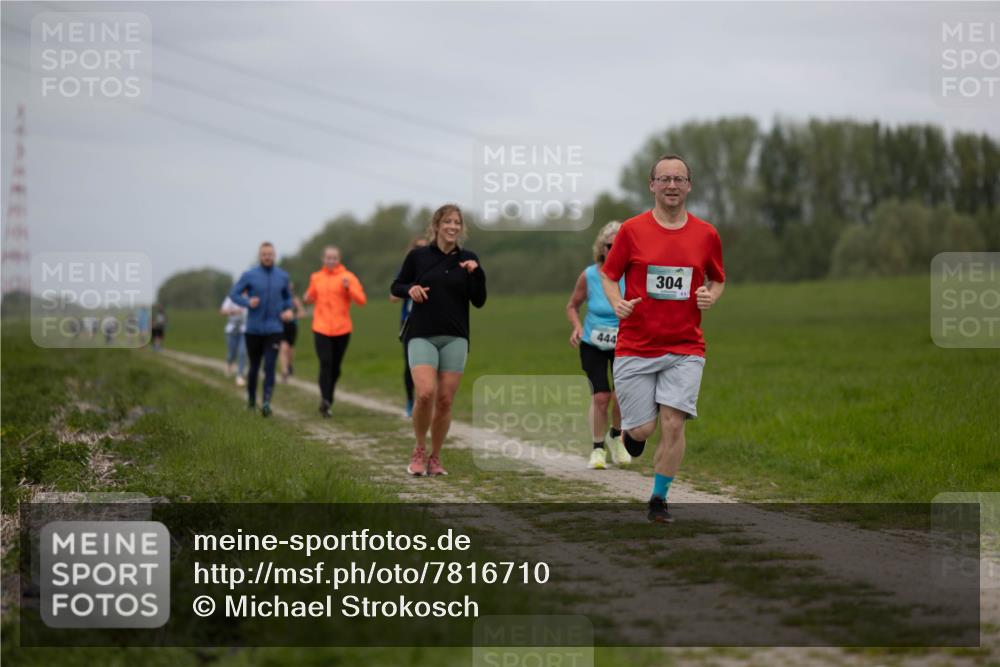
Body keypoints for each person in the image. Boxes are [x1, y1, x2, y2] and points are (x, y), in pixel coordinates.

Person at [600, 154, 725, 523]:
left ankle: (659, 500)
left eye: (679, 179)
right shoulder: (633, 231)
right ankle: (628, 435)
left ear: (689, 186)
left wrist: (711, 296)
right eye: (664, 179)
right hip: (636, 346)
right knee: (643, 429)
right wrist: (617, 302)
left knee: (673, 423)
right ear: (651, 185)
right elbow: (609, 275)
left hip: (685, 346)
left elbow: (717, 278)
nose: (672, 185)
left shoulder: (706, 234)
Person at [391, 204, 486, 477]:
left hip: (456, 337)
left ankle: (435, 457)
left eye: (457, 222)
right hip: (421, 334)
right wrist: (411, 289)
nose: (453, 227)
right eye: (448, 222)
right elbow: (395, 286)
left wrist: (476, 274)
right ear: (436, 225)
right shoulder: (418, 257)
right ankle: (419, 450)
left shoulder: (469, 259)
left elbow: (479, 300)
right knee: (425, 393)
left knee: (444, 400)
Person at [566, 221, 631, 470]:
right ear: (601, 248)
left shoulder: (632, 273)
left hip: (625, 342)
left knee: (621, 396)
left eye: (619, 245)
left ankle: (616, 437)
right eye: (609, 245)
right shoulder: (590, 275)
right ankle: (597, 449)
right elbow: (572, 305)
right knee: (601, 396)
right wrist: (577, 326)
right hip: (592, 341)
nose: (614, 249)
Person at [228, 242, 294, 417]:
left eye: (270, 254)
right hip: (253, 330)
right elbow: (233, 294)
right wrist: (247, 302)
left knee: (270, 366)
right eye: (264, 254)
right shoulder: (250, 275)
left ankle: (266, 402)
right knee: (255, 367)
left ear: (274, 256)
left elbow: (288, 298)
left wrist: (288, 310)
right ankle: (251, 400)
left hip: (274, 328)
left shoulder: (282, 276)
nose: (267, 257)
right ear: (260, 256)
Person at [303, 246, 367, 417]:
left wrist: (348, 288)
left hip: (342, 329)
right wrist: (307, 298)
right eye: (328, 258)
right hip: (321, 327)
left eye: (334, 258)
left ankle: (328, 399)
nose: (331, 261)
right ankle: (325, 399)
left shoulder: (348, 277)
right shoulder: (316, 277)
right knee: (326, 363)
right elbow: (310, 296)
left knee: (336, 368)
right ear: (323, 259)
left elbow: (361, 300)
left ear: (339, 259)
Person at [389, 238, 428, 417]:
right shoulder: (407, 269)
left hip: (432, 322)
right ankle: (410, 400)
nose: (422, 250)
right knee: (410, 365)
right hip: (409, 323)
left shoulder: (433, 267)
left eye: (425, 247)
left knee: (431, 366)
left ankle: (426, 400)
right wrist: (409, 290)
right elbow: (393, 296)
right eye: (418, 247)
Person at [280, 283, 306, 383]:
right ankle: (284, 371)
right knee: (283, 348)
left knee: (290, 349)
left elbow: (302, 313)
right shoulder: (279, 299)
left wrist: (294, 317)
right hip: (281, 326)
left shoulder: (295, 300)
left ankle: (290, 365)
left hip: (292, 326)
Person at [220, 294, 248, 386]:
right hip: (232, 329)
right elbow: (222, 311)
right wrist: (233, 311)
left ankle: (240, 375)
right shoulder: (231, 297)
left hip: (245, 330)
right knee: (232, 352)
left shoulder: (251, 297)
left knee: (242, 352)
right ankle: (229, 363)